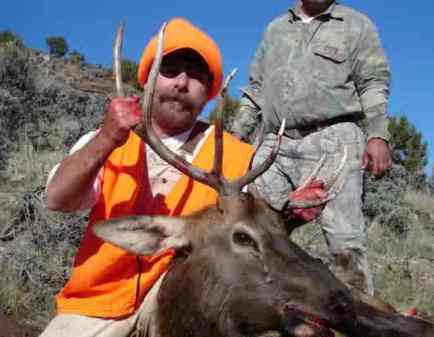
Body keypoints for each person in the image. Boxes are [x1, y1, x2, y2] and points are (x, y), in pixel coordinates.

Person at [41, 17, 325, 337]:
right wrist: (107, 138)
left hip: (193, 307)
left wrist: (291, 216)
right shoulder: (105, 138)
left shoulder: (237, 157)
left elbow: (252, 237)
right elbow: (57, 199)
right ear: (148, 79)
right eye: (170, 69)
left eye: (196, 75)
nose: (181, 82)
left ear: (209, 92)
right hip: (101, 302)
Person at [231, 0, 392, 295]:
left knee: (345, 245)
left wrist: (377, 135)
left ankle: (359, 319)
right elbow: (255, 88)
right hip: (274, 145)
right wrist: (235, 136)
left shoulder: (356, 24)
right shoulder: (275, 29)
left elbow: (372, 83)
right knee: (251, 232)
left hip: (335, 141)